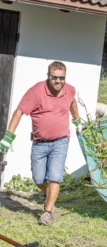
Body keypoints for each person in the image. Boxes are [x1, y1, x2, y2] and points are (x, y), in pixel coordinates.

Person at [0, 61, 82, 225]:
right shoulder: (37, 91)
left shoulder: (70, 89)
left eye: (61, 78)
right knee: (38, 179)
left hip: (61, 141)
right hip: (39, 143)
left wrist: (77, 121)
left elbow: (72, 102)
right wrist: (8, 137)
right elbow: (19, 112)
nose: (58, 81)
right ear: (48, 76)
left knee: (54, 177)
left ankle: (48, 212)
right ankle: (49, 194)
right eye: (54, 77)